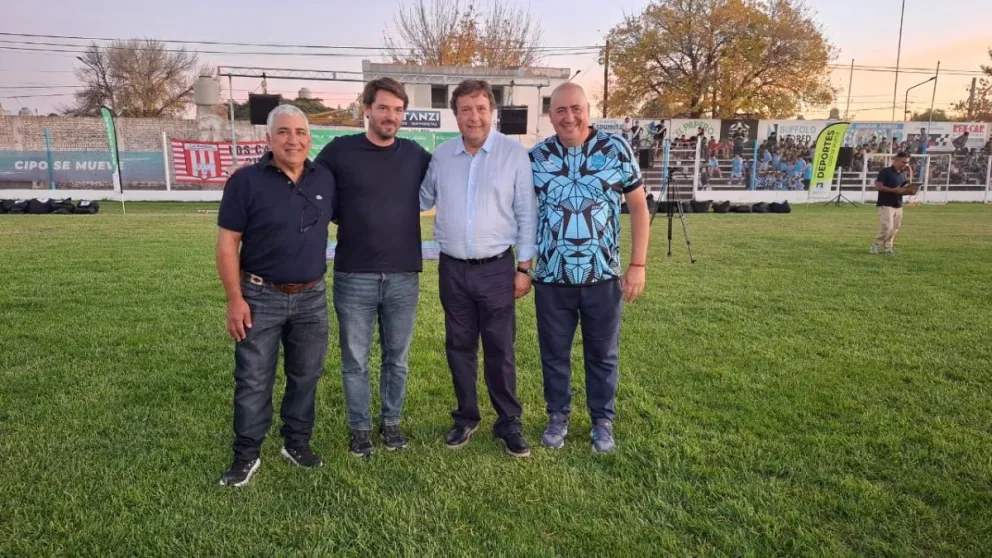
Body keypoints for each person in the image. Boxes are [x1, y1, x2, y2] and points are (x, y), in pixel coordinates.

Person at [215, 105, 336, 487]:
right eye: (283, 132)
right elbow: (226, 244)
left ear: (309, 138)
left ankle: (296, 443)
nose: (293, 139)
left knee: (306, 375)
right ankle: (246, 454)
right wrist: (235, 299)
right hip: (259, 295)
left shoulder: (324, 179)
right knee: (253, 379)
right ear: (268, 139)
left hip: (312, 297)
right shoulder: (245, 182)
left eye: (300, 132)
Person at [419, 79, 537, 458]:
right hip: (452, 268)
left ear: (492, 112)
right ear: (455, 115)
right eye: (466, 109)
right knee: (459, 346)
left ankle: (508, 422)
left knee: (500, 348)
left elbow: (526, 212)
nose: (474, 117)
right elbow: (420, 199)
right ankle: (466, 417)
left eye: (481, 109)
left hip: (497, 269)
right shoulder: (442, 157)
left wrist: (524, 267)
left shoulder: (512, 155)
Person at [529, 83, 649, 453]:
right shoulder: (537, 157)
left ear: (588, 109)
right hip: (552, 277)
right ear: (550, 115)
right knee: (554, 353)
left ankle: (602, 421)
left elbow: (639, 208)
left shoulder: (615, 150)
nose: (569, 117)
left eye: (576, 108)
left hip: (603, 276)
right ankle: (558, 415)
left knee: (603, 353)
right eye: (561, 110)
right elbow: (522, 214)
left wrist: (637, 264)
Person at [314, 78, 432, 457]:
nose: (391, 116)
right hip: (353, 276)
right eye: (383, 108)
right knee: (354, 360)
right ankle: (360, 427)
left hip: (403, 276)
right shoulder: (338, 151)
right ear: (366, 109)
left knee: (396, 359)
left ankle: (392, 421)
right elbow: (313, 194)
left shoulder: (415, 155)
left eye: (398, 110)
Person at [871, 152, 915, 255]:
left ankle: (888, 247)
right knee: (887, 226)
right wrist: (893, 190)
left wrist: (909, 192)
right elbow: (878, 186)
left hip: (898, 204)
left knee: (895, 227)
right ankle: (876, 245)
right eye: (903, 162)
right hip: (886, 204)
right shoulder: (885, 172)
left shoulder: (902, 175)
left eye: (907, 162)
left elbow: (900, 190)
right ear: (895, 160)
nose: (905, 164)